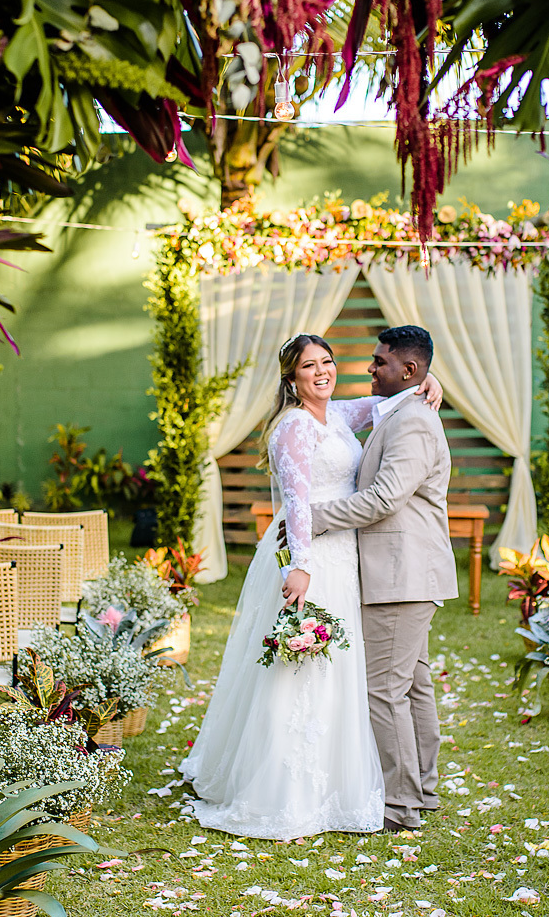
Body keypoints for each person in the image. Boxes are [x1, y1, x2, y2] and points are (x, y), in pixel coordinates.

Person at [177, 332, 442, 839]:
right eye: (308, 367)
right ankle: (291, 784)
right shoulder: (294, 427)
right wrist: (298, 566)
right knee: (303, 670)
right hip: (314, 554)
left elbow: (385, 399)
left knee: (346, 671)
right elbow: (297, 503)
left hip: (347, 557)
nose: (322, 372)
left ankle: (351, 779)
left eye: (327, 362)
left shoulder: (336, 416)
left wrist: (429, 381)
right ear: (291, 380)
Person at [298, 325, 459, 832]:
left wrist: (316, 517)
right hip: (406, 573)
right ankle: (422, 791)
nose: (369, 369)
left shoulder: (411, 420)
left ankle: (401, 804)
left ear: (408, 370)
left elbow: (386, 497)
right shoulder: (403, 409)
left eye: (379, 362)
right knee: (412, 686)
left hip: (402, 575)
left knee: (384, 691)